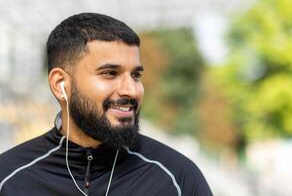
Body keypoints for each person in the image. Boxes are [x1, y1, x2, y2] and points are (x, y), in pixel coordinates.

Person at [0, 13, 212, 196]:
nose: (132, 90)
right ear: (60, 84)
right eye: (110, 73)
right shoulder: (7, 179)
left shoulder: (178, 179)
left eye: (136, 75)